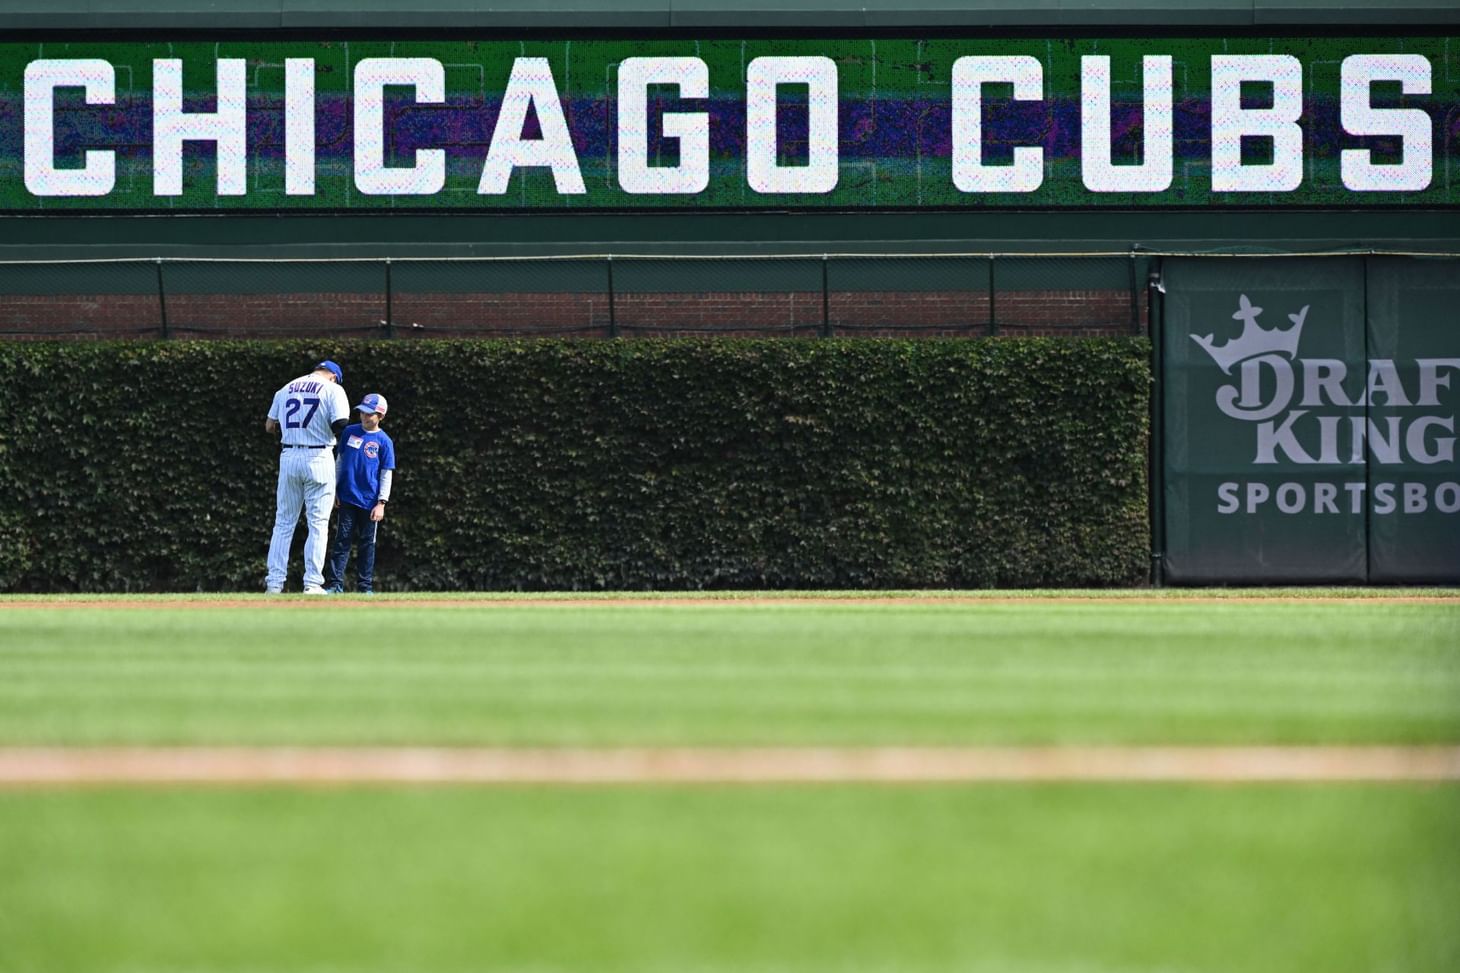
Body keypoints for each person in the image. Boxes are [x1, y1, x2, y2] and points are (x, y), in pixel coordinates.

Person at [263, 360, 351, 594]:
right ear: (334, 376)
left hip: (289, 456)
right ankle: (312, 583)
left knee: (283, 523)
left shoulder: (286, 388)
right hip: (319, 456)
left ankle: (274, 583)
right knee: (318, 524)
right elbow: (341, 424)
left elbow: (269, 425)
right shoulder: (333, 389)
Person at [324, 393, 396, 595]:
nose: (364, 416)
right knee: (342, 541)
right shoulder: (349, 432)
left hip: (370, 502)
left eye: (369, 414)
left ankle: (365, 587)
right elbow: (339, 461)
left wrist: (381, 503)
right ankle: (334, 585)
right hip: (346, 497)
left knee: (367, 544)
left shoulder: (384, 441)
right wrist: (334, 489)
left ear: (381, 416)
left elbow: (386, 474)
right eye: (362, 412)